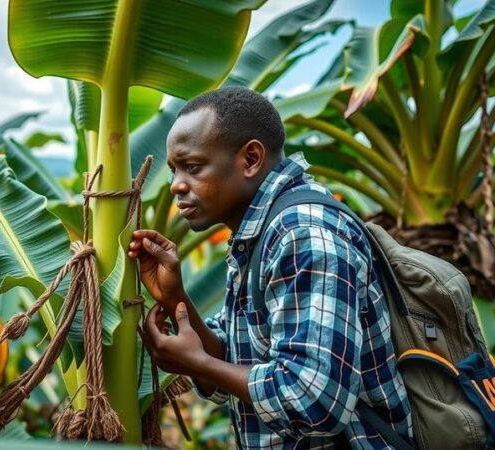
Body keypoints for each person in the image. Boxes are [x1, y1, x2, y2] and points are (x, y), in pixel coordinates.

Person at [127, 87, 412, 449]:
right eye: (173, 170)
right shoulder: (263, 233)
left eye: (192, 167)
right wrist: (174, 298)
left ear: (250, 159)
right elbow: (243, 357)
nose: (176, 185)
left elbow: (314, 401)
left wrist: (199, 364)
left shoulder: (303, 235)